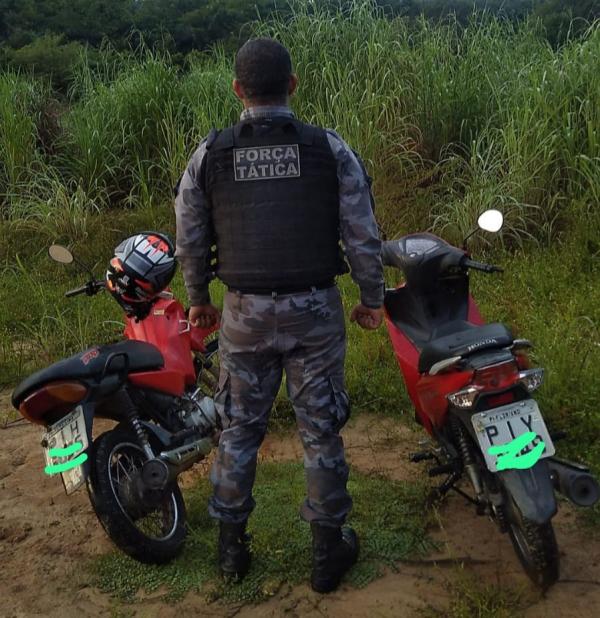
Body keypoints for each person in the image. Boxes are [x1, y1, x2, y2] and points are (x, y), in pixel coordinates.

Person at [174, 38, 384, 593]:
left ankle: (230, 551)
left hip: (243, 312)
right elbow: (362, 233)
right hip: (314, 309)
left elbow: (190, 239)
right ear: (293, 84)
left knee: (239, 429)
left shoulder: (209, 154)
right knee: (320, 429)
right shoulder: (328, 148)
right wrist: (373, 297)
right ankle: (325, 553)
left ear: (238, 90)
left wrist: (198, 299)